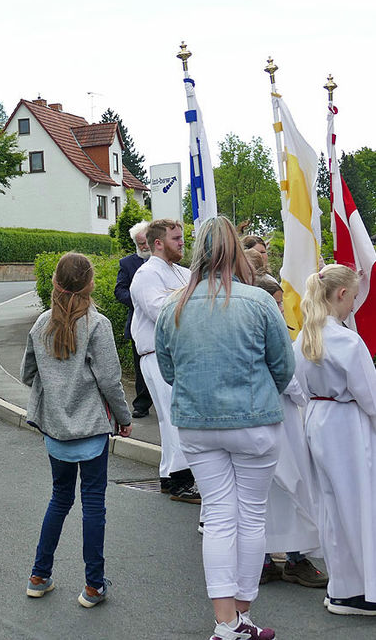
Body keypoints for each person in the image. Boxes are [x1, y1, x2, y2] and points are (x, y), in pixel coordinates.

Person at [155, 216, 294, 640]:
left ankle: (225, 623)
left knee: (217, 517)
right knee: (251, 517)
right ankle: (242, 615)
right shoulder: (259, 301)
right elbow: (283, 369)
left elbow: (168, 370)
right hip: (254, 421)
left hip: (197, 423)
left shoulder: (174, 304)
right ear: (235, 251)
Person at [22, 252, 132, 606]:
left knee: (59, 499)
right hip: (91, 429)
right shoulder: (96, 325)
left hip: (55, 430)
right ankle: (93, 586)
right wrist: (124, 417)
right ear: (90, 284)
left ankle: (39, 575)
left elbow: (28, 374)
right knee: (94, 504)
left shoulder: (41, 325)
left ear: (54, 282)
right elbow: (111, 381)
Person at [292, 264, 376, 616]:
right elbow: (370, 395)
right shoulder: (346, 339)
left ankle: (341, 586)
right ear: (341, 294)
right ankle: (359, 590)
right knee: (359, 505)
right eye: (354, 296)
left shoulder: (304, 338)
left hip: (317, 420)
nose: (355, 304)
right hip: (347, 424)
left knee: (331, 506)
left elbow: (296, 386)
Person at [252, 277, 327, 589]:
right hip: (277, 415)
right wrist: (303, 398)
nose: (283, 307)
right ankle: (285, 559)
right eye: (278, 302)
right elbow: (286, 375)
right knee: (286, 485)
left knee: (282, 487)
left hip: (267, 417)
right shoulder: (265, 332)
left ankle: (273, 559)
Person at [130, 219, 200, 503]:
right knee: (175, 418)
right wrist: (190, 299)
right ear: (158, 243)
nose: (182, 242)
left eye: (182, 237)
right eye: (176, 238)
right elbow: (162, 312)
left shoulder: (182, 272)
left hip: (177, 354)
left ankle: (170, 476)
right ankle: (182, 480)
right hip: (159, 355)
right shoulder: (146, 274)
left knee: (171, 417)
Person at [113, 220, 153, 418]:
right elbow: (119, 290)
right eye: (139, 244)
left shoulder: (166, 260)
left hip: (161, 323)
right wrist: (138, 302)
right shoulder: (128, 263)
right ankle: (142, 404)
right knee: (141, 366)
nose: (144, 247)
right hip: (138, 322)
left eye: (145, 242)